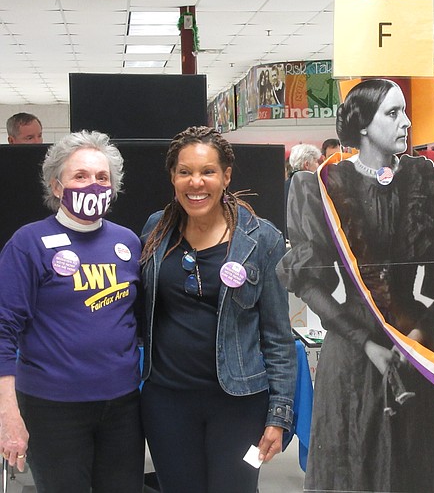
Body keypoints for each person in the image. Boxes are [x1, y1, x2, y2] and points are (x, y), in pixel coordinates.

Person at [278, 78, 434, 492]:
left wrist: (423, 330)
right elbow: (308, 280)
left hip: (418, 347)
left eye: (405, 111)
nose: (406, 123)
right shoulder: (320, 188)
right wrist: (365, 341)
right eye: (393, 113)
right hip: (351, 351)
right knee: (354, 458)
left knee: (422, 464)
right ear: (361, 124)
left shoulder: (431, 187)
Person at [140, 126, 296, 493]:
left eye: (208, 171)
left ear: (226, 176)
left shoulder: (262, 239)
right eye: (185, 172)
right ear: (173, 177)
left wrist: (278, 416)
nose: (196, 183)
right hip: (167, 402)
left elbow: (278, 337)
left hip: (239, 404)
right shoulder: (155, 230)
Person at [0, 131, 144, 492]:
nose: (92, 185)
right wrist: (8, 415)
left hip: (122, 405)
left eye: (102, 177)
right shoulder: (28, 243)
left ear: (113, 187)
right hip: (53, 407)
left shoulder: (127, 241)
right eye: (80, 176)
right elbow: (3, 330)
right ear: (56, 185)